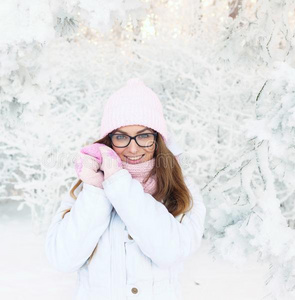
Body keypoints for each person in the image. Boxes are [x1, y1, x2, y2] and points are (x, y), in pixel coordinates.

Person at [45, 78, 207, 300]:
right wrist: (97, 190)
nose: (133, 148)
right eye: (121, 136)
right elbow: (62, 259)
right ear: (109, 140)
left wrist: (119, 184)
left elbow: (170, 252)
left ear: (157, 138)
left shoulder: (181, 190)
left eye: (143, 136)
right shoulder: (87, 188)